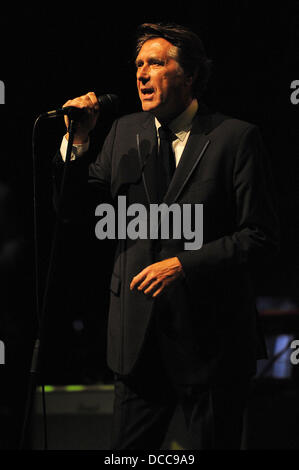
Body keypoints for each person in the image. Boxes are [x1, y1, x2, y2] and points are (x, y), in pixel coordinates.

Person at [53, 22, 279, 450]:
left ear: (190, 74)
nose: (141, 73)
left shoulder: (234, 138)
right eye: (138, 64)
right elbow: (75, 213)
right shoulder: (122, 132)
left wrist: (184, 265)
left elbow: (260, 236)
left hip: (210, 345)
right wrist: (77, 141)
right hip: (136, 346)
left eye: (155, 63)